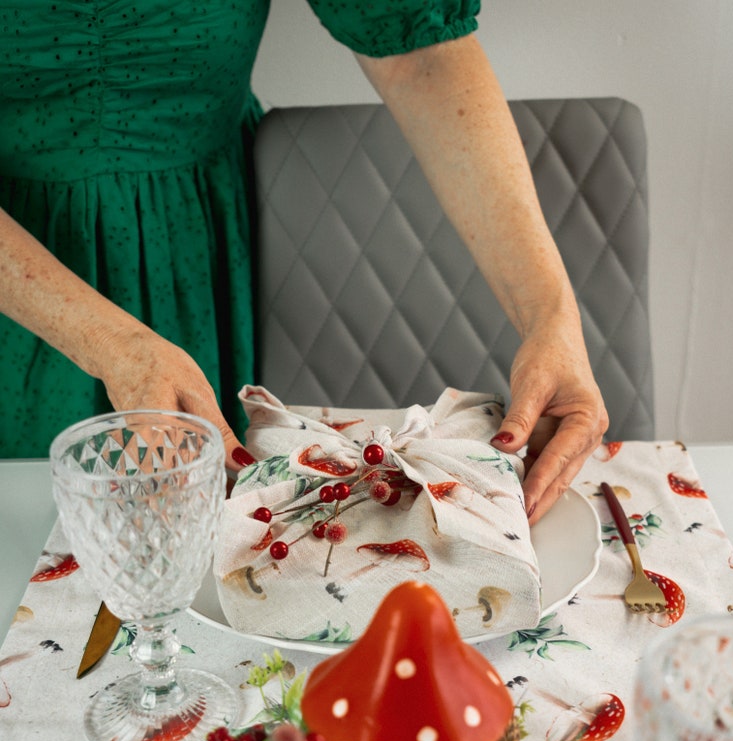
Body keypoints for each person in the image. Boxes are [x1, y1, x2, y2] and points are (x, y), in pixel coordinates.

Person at [0, 1, 607, 522]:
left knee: (203, 534)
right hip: (18, 281)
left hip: (204, 247)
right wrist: (107, 340)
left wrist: (550, 313)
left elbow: (419, 53)